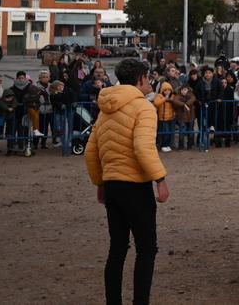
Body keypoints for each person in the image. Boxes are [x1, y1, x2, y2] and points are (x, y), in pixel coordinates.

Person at [84, 58, 169, 305]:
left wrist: (100, 182)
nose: (151, 81)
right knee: (146, 249)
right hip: (135, 186)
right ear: (141, 78)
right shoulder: (143, 108)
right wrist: (160, 179)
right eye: (148, 77)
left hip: (112, 185)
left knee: (118, 249)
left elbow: (92, 151)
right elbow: (143, 147)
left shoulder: (106, 107)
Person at [172, 85, 197, 151]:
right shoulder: (178, 96)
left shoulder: (191, 95)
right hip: (182, 116)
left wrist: (186, 104)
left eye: (185, 89)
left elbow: (193, 99)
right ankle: (181, 146)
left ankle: (190, 145)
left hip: (190, 116)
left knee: (190, 131)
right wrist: (184, 105)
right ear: (180, 90)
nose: (184, 91)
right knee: (182, 131)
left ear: (188, 90)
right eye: (182, 90)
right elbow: (175, 101)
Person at [153, 82, 176, 153]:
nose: (167, 92)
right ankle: (163, 145)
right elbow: (156, 103)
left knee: (169, 132)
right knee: (165, 132)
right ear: (162, 91)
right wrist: (165, 99)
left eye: (169, 90)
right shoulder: (159, 96)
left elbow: (175, 103)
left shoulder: (173, 96)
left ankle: (168, 145)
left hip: (171, 117)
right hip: (163, 118)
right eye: (165, 90)